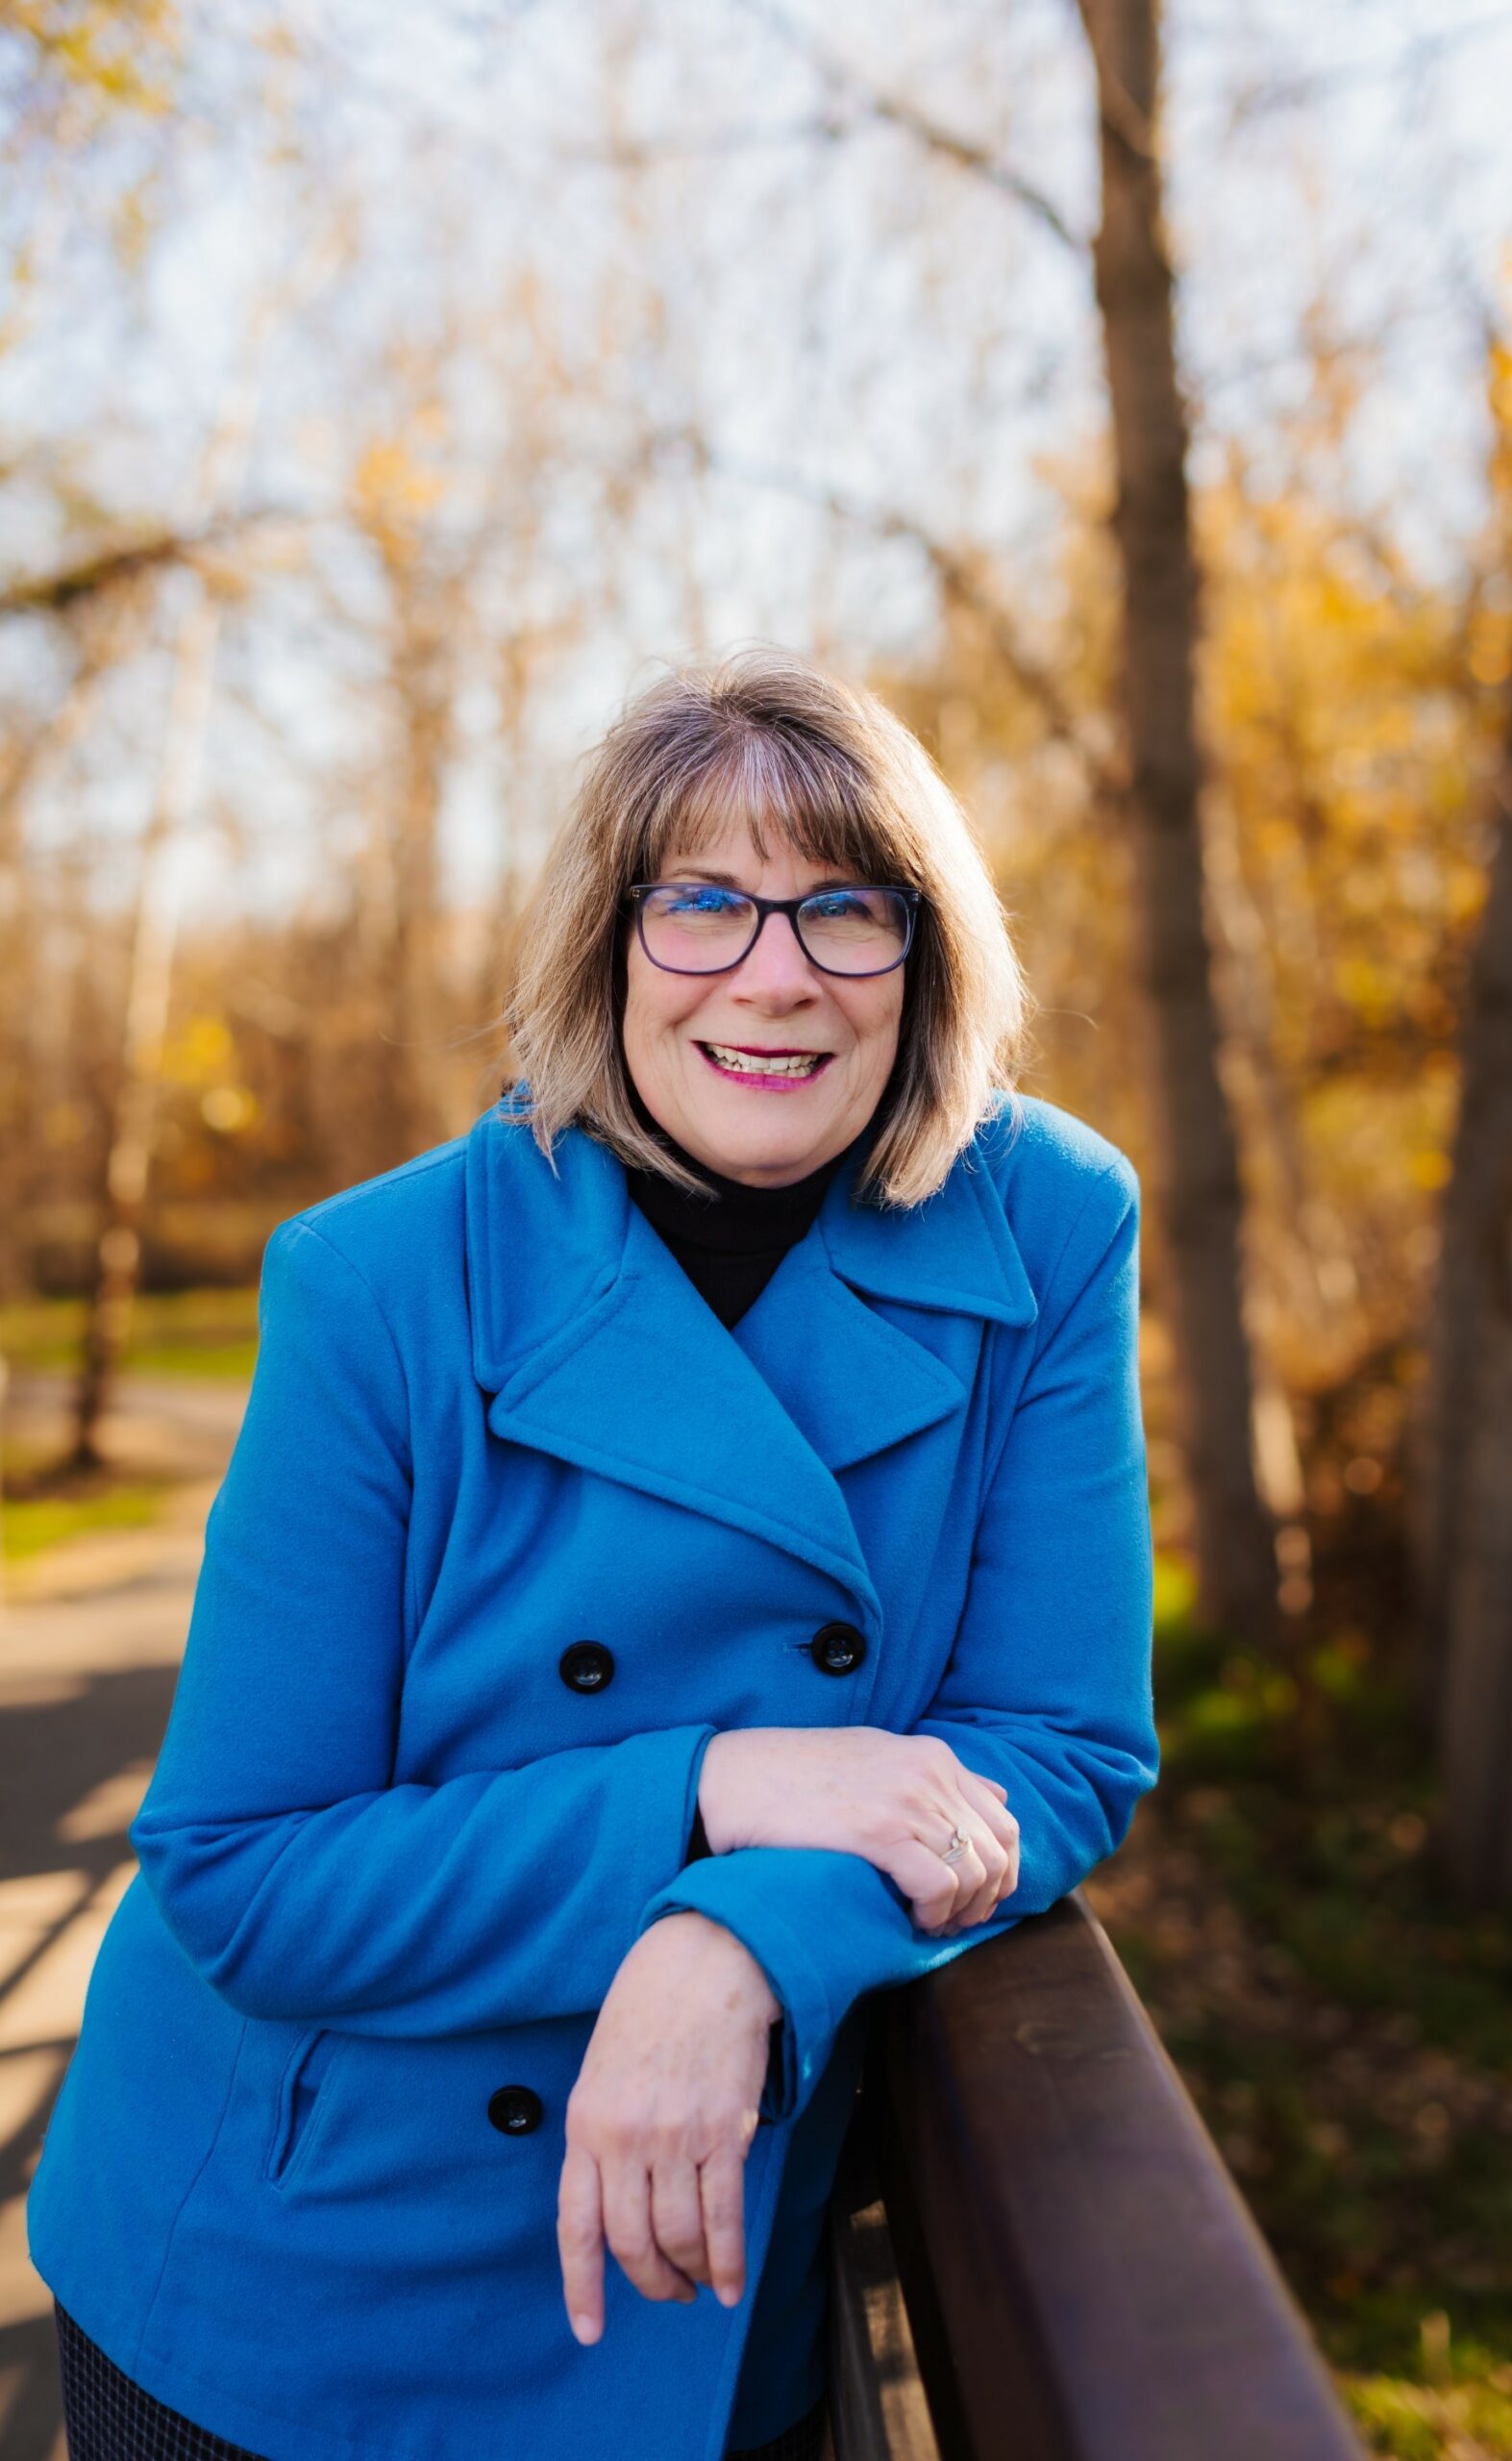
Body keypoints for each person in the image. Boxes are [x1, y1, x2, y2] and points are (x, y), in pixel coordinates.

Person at [27, 645, 1160, 2461]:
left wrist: (736, 1936)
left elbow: (1062, 1740)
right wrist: (717, 1789)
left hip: (705, 2288)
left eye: (846, 909)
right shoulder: (383, 1280)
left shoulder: (1044, 1226)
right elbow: (240, 1876)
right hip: (299, 2289)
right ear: (606, 948)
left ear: (925, 953)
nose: (776, 975)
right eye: (702, 902)